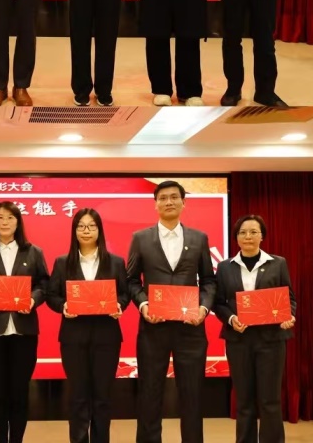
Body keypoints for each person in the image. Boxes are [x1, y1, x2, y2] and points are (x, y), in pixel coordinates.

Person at [126, 180, 217, 443]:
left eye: (174, 197)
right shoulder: (141, 238)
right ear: (155, 204)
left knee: (192, 395)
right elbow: (131, 281)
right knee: (149, 394)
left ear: (183, 202)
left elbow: (208, 281)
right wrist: (144, 305)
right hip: (153, 329)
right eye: (163, 198)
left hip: (191, 330)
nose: (169, 202)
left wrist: (203, 308)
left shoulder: (199, 238)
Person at [45, 207, 129, 443]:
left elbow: (124, 293)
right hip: (73, 338)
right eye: (81, 226)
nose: (86, 230)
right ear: (74, 231)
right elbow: (52, 295)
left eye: (92, 226)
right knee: (78, 396)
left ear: (99, 230)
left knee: (103, 397)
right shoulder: (62, 263)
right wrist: (64, 306)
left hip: (107, 337)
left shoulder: (115, 262)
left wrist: (119, 305)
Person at [0, 202, 50, 443]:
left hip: (23, 332)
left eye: (10, 218)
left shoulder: (33, 252)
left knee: (19, 393)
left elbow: (44, 284)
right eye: (0, 217)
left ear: (18, 222)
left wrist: (33, 300)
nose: (4, 222)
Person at [213, 214, 296, 443]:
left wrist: (289, 316)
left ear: (262, 236)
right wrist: (231, 319)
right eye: (242, 232)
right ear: (236, 237)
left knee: (270, 400)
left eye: (253, 232)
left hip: (272, 340)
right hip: (239, 340)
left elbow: (289, 298)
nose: (248, 236)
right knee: (244, 400)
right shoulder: (225, 267)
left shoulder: (278, 263)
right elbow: (219, 302)